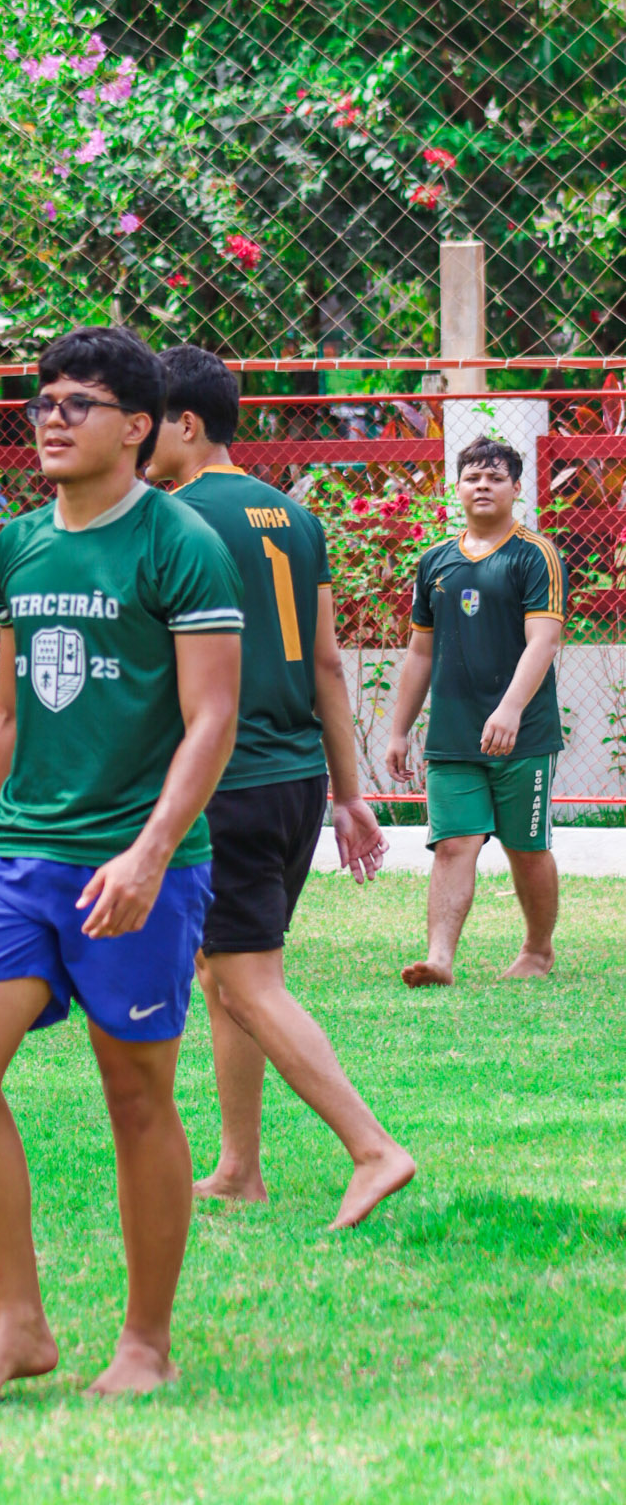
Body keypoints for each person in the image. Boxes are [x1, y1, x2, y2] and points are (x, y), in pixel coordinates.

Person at [0, 325, 244, 1404]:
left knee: (135, 1095)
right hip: (23, 852)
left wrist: (150, 854)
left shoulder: (179, 543)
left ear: (137, 426)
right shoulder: (19, 547)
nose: (52, 419)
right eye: (43, 402)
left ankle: (145, 1343)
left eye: (79, 403)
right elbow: (9, 710)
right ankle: (18, 1325)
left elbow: (212, 718)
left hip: (142, 860)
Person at [148, 344, 416, 1229]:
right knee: (224, 973)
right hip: (294, 780)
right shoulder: (295, 518)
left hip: (228, 780)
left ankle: (371, 1149)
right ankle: (238, 1169)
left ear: (186, 425)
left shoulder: (170, 519)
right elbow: (328, 666)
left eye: (147, 423)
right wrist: (347, 793)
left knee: (245, 978)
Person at [386, 435, 566, 986]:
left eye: (494, 477)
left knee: (525, 849)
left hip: (524, 735)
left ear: (517, 488)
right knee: (453, 844)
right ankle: (439, 959)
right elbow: (420, 652)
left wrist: (510, 710)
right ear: (457, 487)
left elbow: (544, 641)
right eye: (472, 477)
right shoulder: (435, 562)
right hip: (453, 736)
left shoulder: (534, 555)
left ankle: (537, 951)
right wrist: (398, 731)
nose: (482, 486)